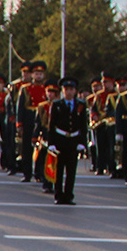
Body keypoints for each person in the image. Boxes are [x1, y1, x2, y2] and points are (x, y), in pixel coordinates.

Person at [46, 77, 89, 205]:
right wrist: (51, 143)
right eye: (66, 89)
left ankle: (69, 195)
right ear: (63, 91)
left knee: (71, 171)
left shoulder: (80, 105)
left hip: (73, 140)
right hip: (60, 140)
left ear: (75, 91)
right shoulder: (57, 104)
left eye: (71, 89)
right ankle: (58, 195)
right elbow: (51, 125)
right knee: (58, 171)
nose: (69, 92)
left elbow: (83, 126)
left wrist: (82, 142)